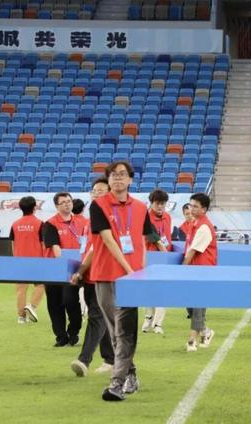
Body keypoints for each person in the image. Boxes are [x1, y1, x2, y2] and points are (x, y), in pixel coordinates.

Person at [90, 161, 156, 401]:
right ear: (108, 180)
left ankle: (116, 384)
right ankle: (131, 374)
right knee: (114, 330)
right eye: (113, 175)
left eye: (122, 174)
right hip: (106, 273)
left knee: (124, 331)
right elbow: (108, 240)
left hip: (131, 278)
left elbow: (143, 241)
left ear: (130, 179)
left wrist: (140, 271)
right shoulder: (98, 205)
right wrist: (129, 270)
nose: (117, 178)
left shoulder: (140, 207)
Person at [69, 178, 115, 378]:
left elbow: (95, 250)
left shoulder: (108, 219)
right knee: (101, 317)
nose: (96, 194)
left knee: (96, 317)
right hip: (90, 275)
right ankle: (110, 359)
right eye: (94, 191)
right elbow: (86, 248)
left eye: (101, 191)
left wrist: (80, 270)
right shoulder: (89, 221)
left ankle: (84, 360)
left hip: (103, 274)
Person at [43, 192, 86, 347]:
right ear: (57, 206)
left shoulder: (83, 222)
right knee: (55, 304)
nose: (67, 204)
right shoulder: (50, 224)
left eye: (69, 201)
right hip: (54, 270)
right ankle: (61, 336)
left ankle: (74, 332)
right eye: (63, 202)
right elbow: (56, 248)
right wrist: (63, 263)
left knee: (70, 300)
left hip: (74, 270)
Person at [183, 192, 216, 352]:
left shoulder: (204, 227)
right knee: (190, 306)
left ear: (204, 209)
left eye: (195, 206)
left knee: (197, 307)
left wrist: (181, 269)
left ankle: (191, 341)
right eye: (191, 205)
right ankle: (206, 331)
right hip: (193, 271)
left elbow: (192, 251)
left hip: (203, 272)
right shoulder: (194, 224)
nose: (192, 209)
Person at [9, 196, 45, 324]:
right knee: (41, 285)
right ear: (35, 207)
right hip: (37, 261)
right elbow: (44, 244)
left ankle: (21, 318)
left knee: (20, 289)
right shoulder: (40, 224)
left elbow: (13, 244)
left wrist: (16, 259)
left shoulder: (15, 224)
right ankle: (32, 306)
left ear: (20, 208)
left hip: (20, 261)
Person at [142, 189, 173, 335]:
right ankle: (148, 318)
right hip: (150, 259)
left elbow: (167, 238)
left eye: (163, 204)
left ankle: (157, 323)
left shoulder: (168, 217)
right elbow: (158, 242)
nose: (160, 206)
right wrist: (168, 258)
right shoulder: (146, 218)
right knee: (149, 291)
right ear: (151, 203)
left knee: (163, 291)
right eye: (157, 203)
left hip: (164, 259)